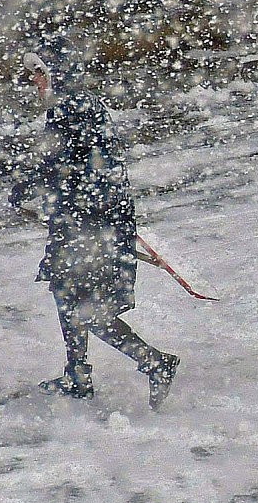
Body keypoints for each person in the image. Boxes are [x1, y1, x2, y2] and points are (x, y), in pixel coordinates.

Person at [10, 46, 180, 411]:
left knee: (86, 307)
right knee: (66, 291)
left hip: (92, 225)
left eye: (39, 72)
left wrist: (32, 184)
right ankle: (77, 373)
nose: (34, 81)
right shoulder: (74, 106)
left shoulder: (72, 109)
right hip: (86, 221)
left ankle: (155, 362)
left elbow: (68, 165)